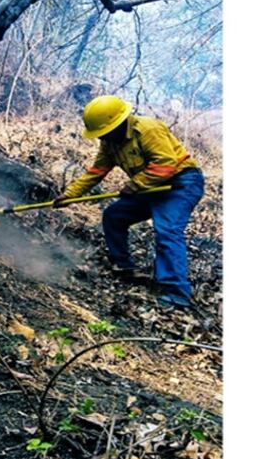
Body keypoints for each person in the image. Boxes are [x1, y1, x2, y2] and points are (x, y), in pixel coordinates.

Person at [54, 95, 204, 309]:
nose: (102, 137)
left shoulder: (147, 129)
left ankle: (176, 293)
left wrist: (135, 185)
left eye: (105, 132)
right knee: (114, 216)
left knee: (167, 230)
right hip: (150, 185)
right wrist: (70, 195)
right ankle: (123, 266)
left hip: (180, 183)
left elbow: (166, 165)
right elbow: (97, 171)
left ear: (118, 123)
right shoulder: (109, 142)